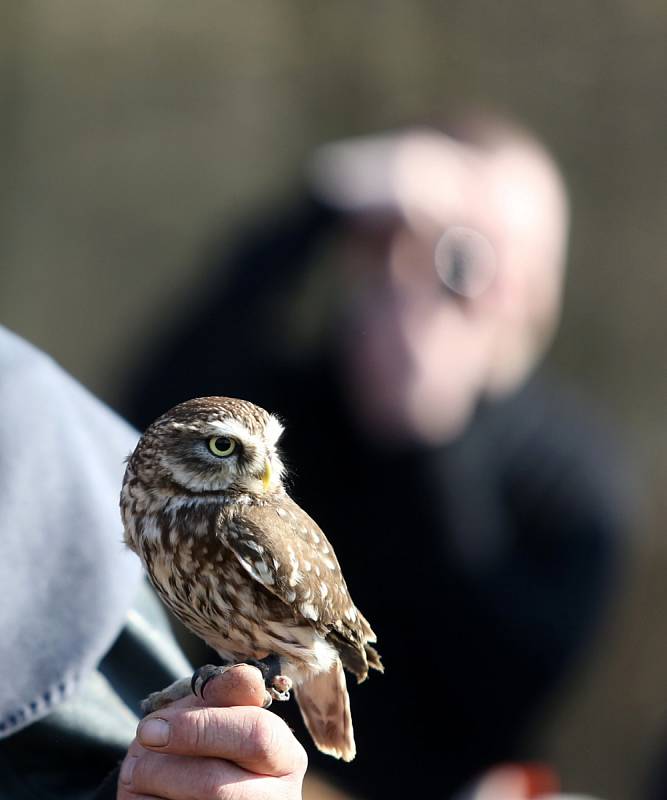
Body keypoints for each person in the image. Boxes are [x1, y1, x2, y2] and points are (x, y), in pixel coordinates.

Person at [122, 112, 632, 798]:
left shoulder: (575, 469)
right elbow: (145, 417)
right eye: (395, 239)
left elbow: (503, 686)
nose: (417, 279)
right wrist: (321, 204)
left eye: (462, 254)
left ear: (539, 280)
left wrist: (430, 440)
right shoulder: (291, 406)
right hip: (238, 769)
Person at [0, 326, 306, 800]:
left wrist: (161, 781)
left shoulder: (31, 422)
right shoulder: (116, 481)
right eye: (226, 448)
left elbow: (117, 757)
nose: (266, 470)